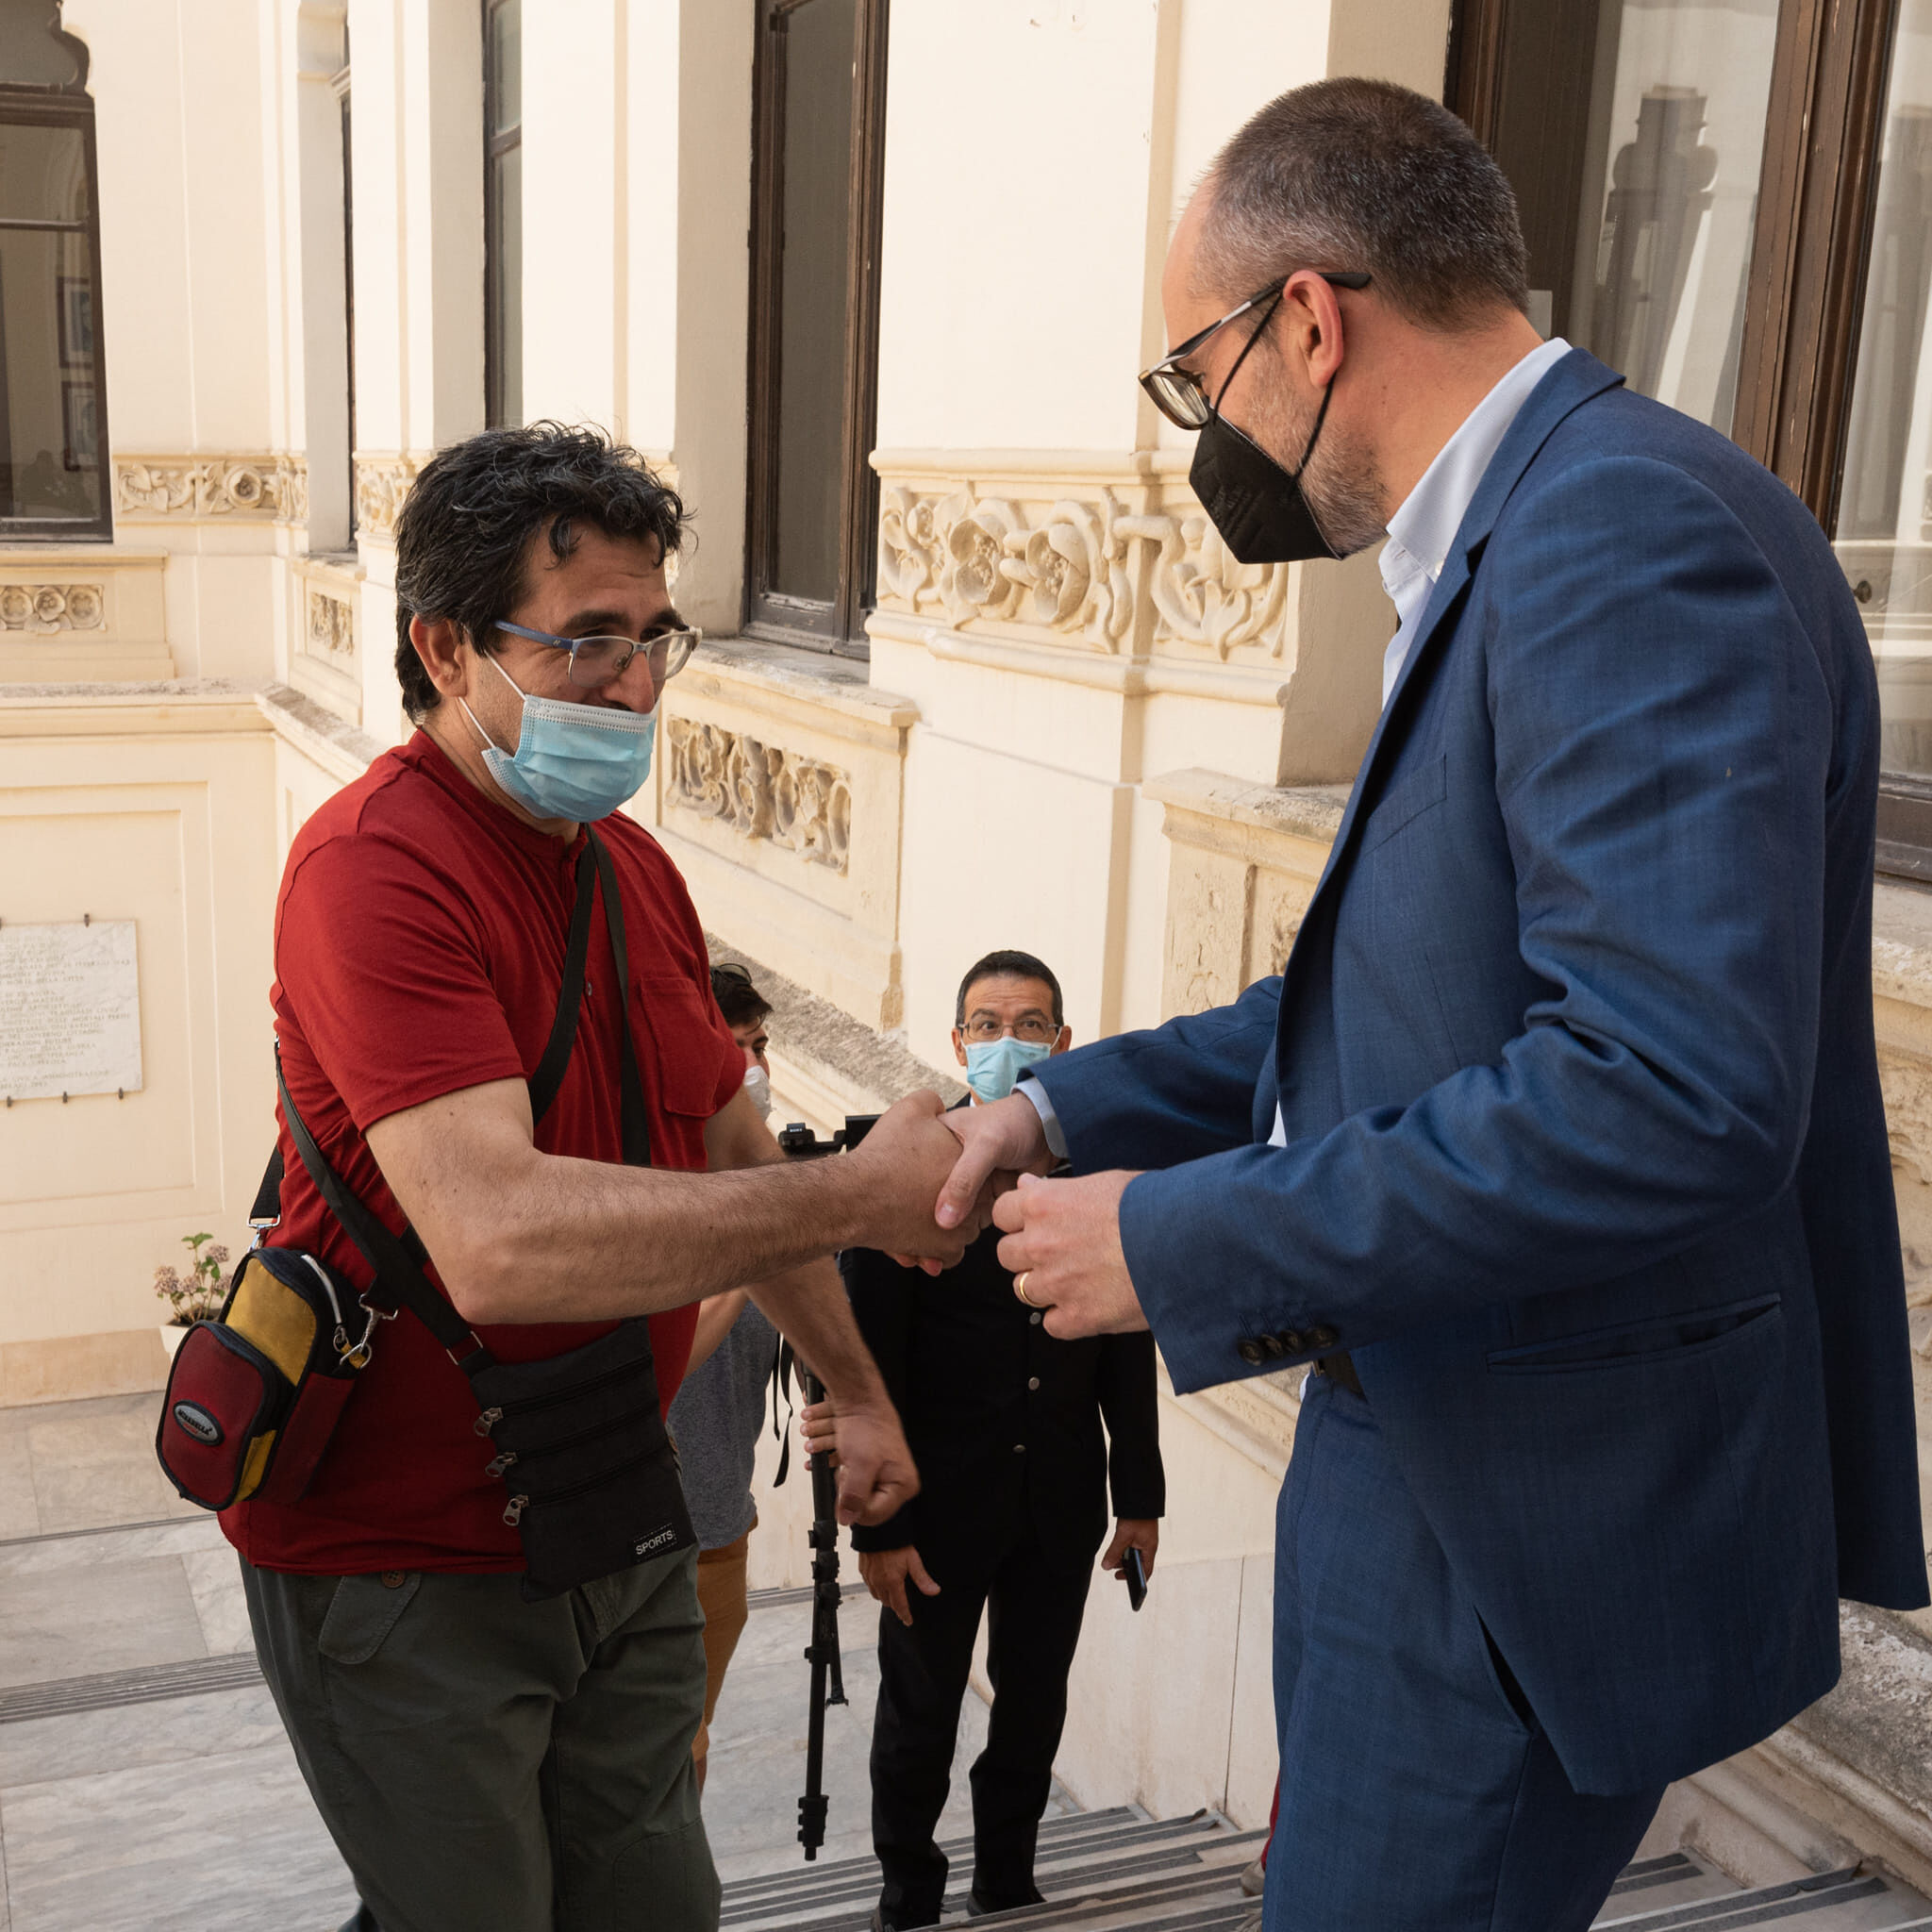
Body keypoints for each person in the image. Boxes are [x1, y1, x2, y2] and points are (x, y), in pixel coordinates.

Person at [933, 79, 1930, 1932]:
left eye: (1192, 376)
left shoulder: (1616, 536)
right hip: (1457, 1460)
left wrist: (1177, 1234)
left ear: (1307, 319)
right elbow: (1392, 1002)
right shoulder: (1538, 520)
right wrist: (1066, 1112)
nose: (1200, 436)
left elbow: (1668, 1089)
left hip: (1510, 1526)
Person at [234, 423, 984, 1932]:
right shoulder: (372, 871)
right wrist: (856, 1198)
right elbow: (497, 1243)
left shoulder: (630, 871)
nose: (636, 690)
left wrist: (855, 1390)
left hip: (612, 1511)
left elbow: (728, 1143)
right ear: (448, 649)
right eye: (585, 643)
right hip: (408, 1563)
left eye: (656, 640)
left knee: (657, 1906)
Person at [838, 951, 1163, 1932]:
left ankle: (1008, 1884)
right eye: (984, 1023)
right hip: (932, 1514)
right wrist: (873, 1530)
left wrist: (1137, 1496)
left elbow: (1122, 1345)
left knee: (1031, 1710)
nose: (1004, 1039)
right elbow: (862, 1373)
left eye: (1028, 1022)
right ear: (954, 1041)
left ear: (1061, 1043)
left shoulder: (1095, 1177)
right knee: (918, 1721)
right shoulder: (905, 1177)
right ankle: (907, 1895)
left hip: (1055, 1509)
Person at [666, 960, 783, 1791]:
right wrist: (757, 1254)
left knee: (693, 1743)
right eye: (734, 1048)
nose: (755, 1069)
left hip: (720, 1531)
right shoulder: (644, 1190)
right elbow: (661, 1362)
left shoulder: (764, 1183)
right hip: (641, 1545)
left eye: (762, 1045)